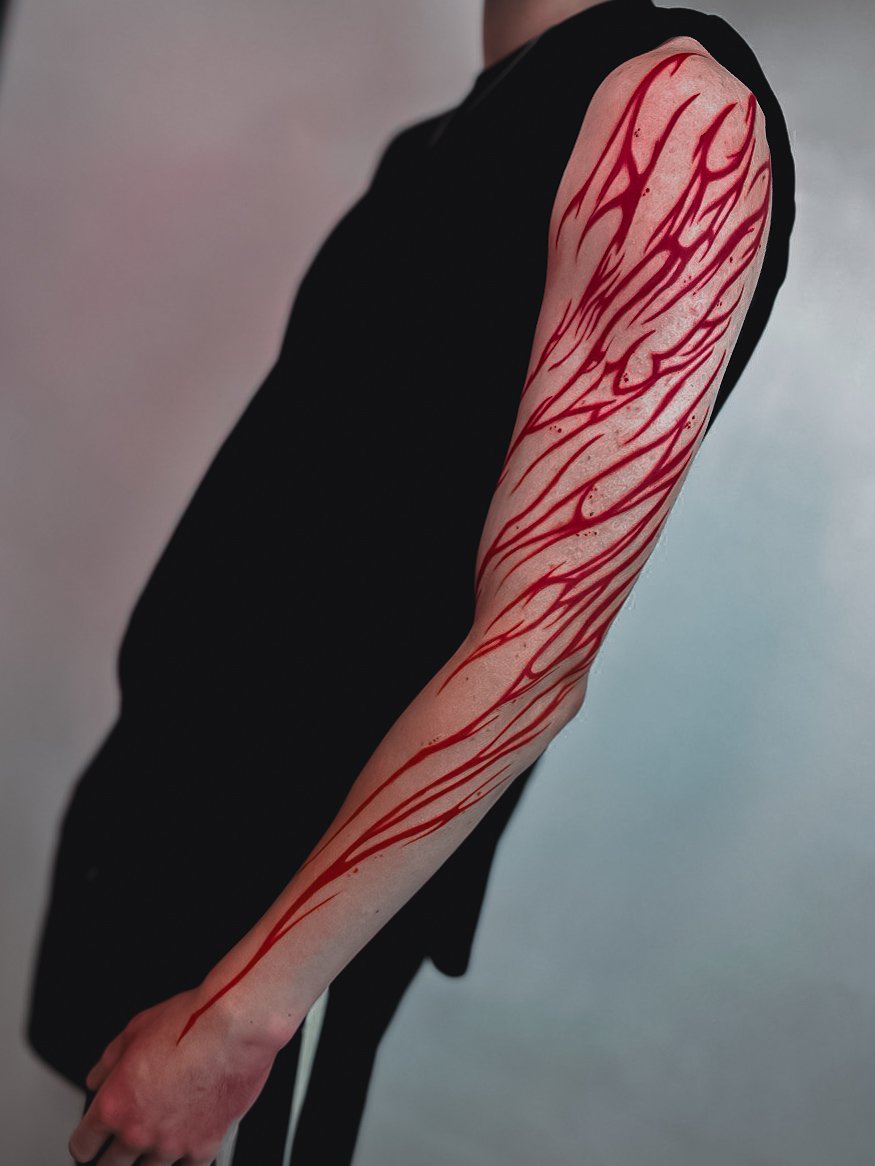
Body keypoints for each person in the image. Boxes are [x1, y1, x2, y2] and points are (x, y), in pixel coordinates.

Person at [25, 0, 796, 1162]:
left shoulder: (673, 117)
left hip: (264, 933)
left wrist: (242, 1015)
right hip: (165, 844)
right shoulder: (462, 130)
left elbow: (537, 647)